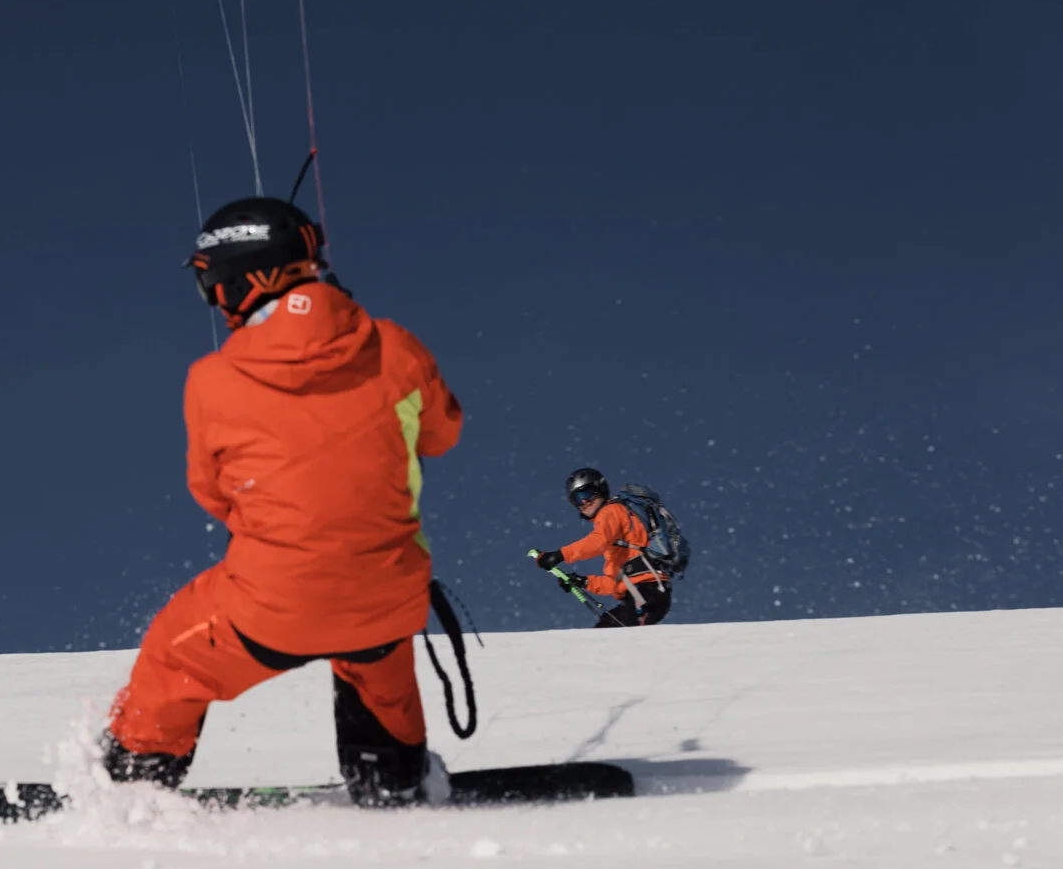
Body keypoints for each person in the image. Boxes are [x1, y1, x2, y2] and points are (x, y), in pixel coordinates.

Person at [101, 196, 463, 806]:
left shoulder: (211, 379)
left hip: (270, 603)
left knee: (174, 655)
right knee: (376, 652)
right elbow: (442, 434)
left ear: (237, 281)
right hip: (387, 594)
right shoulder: (395, 346)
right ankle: (391, 774)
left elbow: (210, 493)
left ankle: (134, 781)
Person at [531, 468, 673, 627]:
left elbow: (598, 542)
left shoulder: (611, 511)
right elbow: (615, 582)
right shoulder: (621, 544)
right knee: (603, 635)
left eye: (587, 493)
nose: (584, 502)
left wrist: (560, 555)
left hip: (646, 591)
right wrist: (585, 582)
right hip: (644, 592)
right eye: (577, 498)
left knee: (614, 640)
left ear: (601, 490)